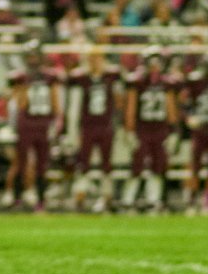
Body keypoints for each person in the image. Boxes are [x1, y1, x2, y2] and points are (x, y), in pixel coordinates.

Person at [4, 41, 62, 211]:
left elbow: (55, 101)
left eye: (35, 56)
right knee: (21, 162)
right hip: (26, 122)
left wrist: (57, 121)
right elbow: (19, 103)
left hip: (43, 122)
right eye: (30, 56)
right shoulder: (21, 77)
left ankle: (41, 200)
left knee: (42, 164)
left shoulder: (49, 77)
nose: (33, 59)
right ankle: (17, 198)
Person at [122, 47, 178, 214]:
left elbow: (171, 107)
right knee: (137, 165)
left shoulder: (166, 83)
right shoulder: (138, 81)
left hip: (160, 129)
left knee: (158, 165)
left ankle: (154, 199)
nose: (154, 67)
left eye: (157, 63)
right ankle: (128, 200)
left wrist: (173, 130)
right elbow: (131, 107)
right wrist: (129, 130)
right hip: (143, 128)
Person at [67, 50, 121, 213]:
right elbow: (74, 106)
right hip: (87, 126)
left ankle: (107, 196)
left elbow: (119, 101)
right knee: (83, 162)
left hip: (105, 125)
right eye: (91, 59)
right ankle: (80, 195)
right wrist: (72, 130)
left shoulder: (111, 76)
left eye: (97, 58)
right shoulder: (81, 78)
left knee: (107, 164)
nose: (95, 62)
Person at [180, 56, 208, 214]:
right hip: (199, 129)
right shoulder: (195, 82)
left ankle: (205, 200)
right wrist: (189, 118)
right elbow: (185, 103)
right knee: (194, 166)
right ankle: (191, 199)